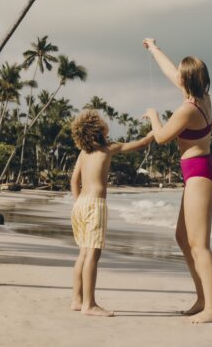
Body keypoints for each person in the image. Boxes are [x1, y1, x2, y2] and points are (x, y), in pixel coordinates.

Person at [142, 38, 212, 323]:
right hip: (197, 173)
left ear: (187, 81)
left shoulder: (189, 109)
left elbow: (162, 138)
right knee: (181, 237)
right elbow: (171, 73)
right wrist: (153, 48)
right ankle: (202, 298)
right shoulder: (202, 98)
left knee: (199, 244)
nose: (177, 77)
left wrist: (153, 116)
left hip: (200, 175)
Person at [69, 109, 154, 317]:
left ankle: (77, 299)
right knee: (93, 255)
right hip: (94, 205)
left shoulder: (83, 153)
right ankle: (89, 304)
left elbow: (74, 181)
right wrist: (154, 131)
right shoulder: (108, 148)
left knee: (83, 253)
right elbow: (140, 144)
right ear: (99, 130)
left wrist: (79, 201)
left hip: (80, 204)